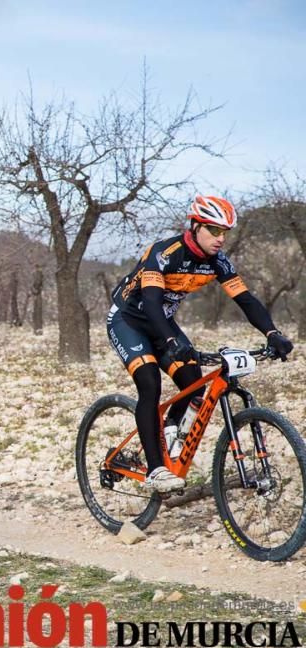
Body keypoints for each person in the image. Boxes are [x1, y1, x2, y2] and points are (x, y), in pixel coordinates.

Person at [107, 195, 294, 493]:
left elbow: (245, 299)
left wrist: (273, 333)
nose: (220, 239)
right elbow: (152, 303)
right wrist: (170, 341)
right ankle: (156, 470)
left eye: (225, 232)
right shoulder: (164, 253)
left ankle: (169, 428)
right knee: (150, 382)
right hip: (129, 321)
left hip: (162, 323)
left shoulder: (217, 262)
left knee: (193, 380)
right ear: (195, 227)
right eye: (214, 230)